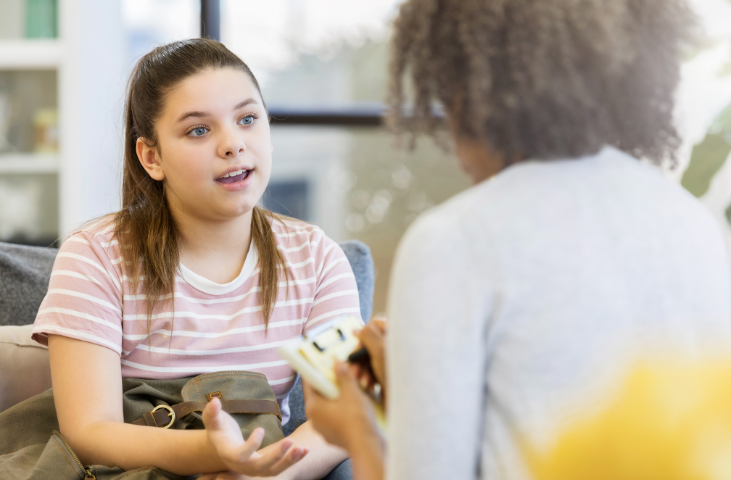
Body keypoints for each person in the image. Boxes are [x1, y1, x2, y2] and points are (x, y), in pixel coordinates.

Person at [302, 1, 731, 479]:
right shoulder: (690, 221)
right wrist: (415, 394)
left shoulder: (455, 240)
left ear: (469, 87)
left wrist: (356, 429)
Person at [31, 39, 361, 479]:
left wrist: (265, 472)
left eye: (247, 119)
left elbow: (342, 419)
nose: (233, 144)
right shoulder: (95, 256)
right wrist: (214, 453)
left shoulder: (318, 258)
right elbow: (89, 429)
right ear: (152, 157)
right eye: (199, 130)